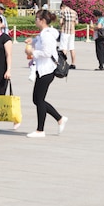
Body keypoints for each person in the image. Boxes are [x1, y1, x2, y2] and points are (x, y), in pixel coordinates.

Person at [25, 10, 68, 138]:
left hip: (47, 70)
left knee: (39, 100)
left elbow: (47, 52)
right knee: (37, 99)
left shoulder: (47, 35)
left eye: (37, 18)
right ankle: (59, 119)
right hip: (43, 69)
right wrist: (32, 41)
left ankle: (40, 130)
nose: (35, 20)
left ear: (42, 21)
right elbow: (38, 40)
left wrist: (32, 53)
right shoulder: (44, 33)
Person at [59, 1, 78, 69]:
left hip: (65, 31)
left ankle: (64, 63)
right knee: (72, 48)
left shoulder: (62, 11)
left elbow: (61, 22)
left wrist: (62, 25)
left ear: (62, 6)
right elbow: (76, 23)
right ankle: (73, 63)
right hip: (72, 32)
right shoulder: (74, 12)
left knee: (64, 48)